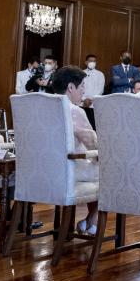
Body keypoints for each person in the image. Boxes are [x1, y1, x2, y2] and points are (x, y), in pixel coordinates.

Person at [52, 66, 99, 236]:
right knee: (110, 169)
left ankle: (91, 220)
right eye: (82, 86)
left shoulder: (41, 106)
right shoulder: (73, 110)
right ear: (71, 87)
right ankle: (93, 219)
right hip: (70, 170)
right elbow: (93, 143)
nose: (84, 91)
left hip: (46, 170)